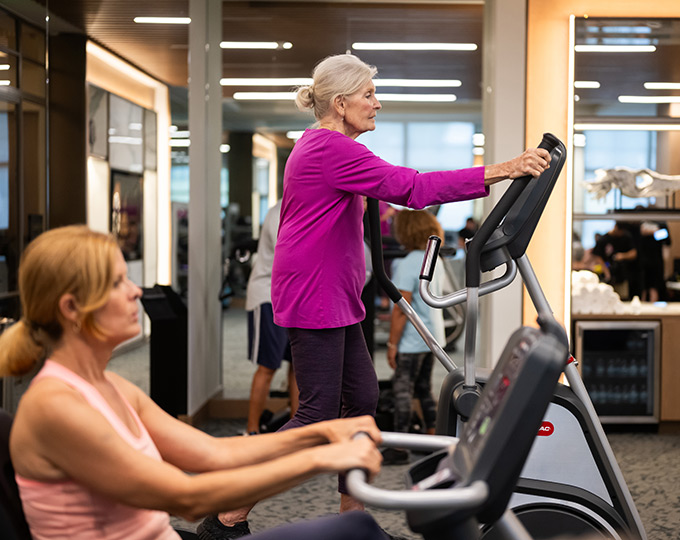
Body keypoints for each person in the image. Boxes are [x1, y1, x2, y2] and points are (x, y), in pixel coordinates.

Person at [264, 52, 549, 520]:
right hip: (315, 293)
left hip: (336, 294)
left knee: (362, 399)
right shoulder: (328, 149)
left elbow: (387, 193)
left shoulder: (325, 147)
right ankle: (228, 511)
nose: (377, 104)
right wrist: (503, 169)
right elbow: (412, 189)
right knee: (315, 413)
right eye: (368, 95)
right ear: (339, 103)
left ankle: (351, 517)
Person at [0, 225, 386, 540]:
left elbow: (213, 454)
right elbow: (187, 498)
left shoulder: (113, 386)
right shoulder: (55, 405)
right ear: (71, 308)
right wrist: (320, 456)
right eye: (118, 283)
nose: (136, 290)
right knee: (353, 533)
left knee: (356, 527)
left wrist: (327, 431)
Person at [384, 210, 446, 464]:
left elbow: (402, 310)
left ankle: (399, 447)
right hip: (432, 338)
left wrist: (391, 344)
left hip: (411, 340)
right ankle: (433, 441)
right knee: (423, 389)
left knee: (402, 390)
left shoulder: (409, 262)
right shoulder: (434, 259)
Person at [243, 200, 298, 436]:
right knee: (268, 367)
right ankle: (252, 431)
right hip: (268, 297)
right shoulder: (279, 212)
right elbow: (290, 254)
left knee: (298, 368)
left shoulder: (306, 209)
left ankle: (297, 432)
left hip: (295, 299)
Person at [591, 221, 638, 300]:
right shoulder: (604, 240)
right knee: (607, 299)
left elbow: (634, 253)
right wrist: (606, 272)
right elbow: (598, 257)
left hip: (622, 275)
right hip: (608, 275)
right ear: (616, 227)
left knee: (622, 298)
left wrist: (623, 256)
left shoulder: (626, 237)